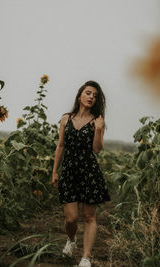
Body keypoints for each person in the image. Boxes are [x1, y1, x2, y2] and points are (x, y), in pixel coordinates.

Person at [51, 80, 111, 267]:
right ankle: (72, 240)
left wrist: (99, 130)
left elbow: (97, 150)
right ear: (80, 96)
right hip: (69, 171)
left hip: (89, 172)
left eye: (94, 95)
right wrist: (54, 171)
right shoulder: (66, 119)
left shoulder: (97, 121)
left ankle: (85, 258)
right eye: (88, 93)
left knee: (89, 217)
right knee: (71, 219)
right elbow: (60, 146)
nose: (91, 97)